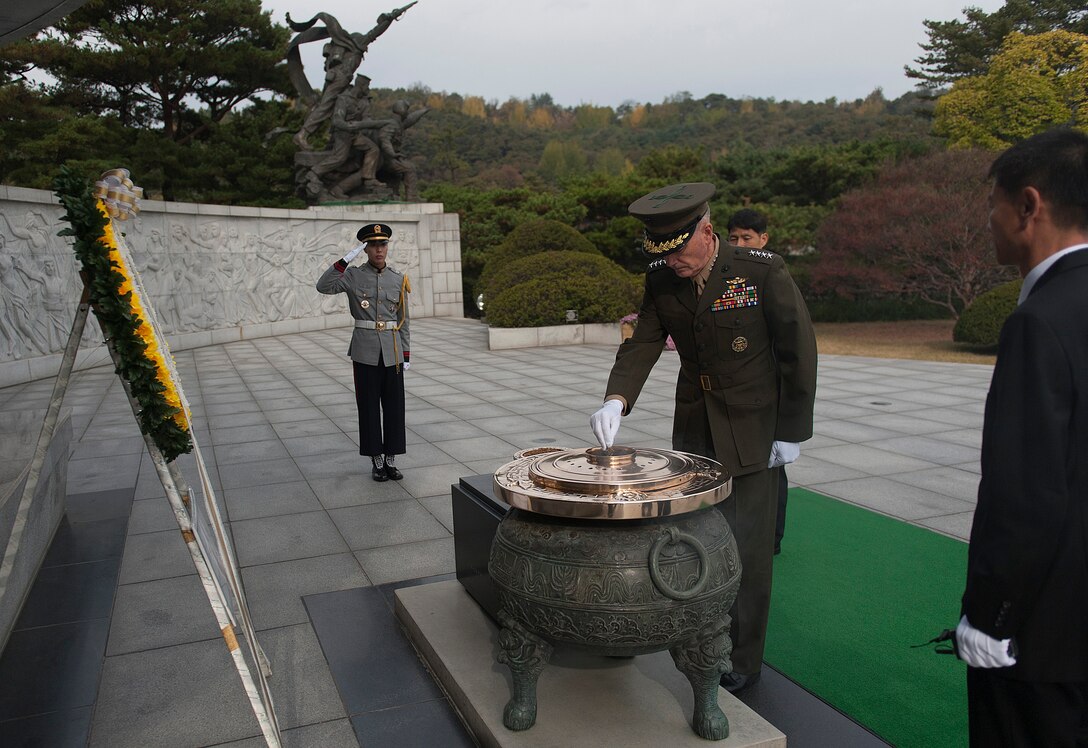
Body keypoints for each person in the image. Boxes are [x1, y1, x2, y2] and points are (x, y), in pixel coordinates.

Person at [591, 183, 817, 693]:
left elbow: (798, 352)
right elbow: (645, 339)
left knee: (747, 548)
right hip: (695, 424)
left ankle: (741, 656)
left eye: (679, 252)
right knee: (692, 537)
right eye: (662, 255)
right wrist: (615, 400)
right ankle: (692, 633)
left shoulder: (761, 271)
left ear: (707, 232)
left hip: (754, 427)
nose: (673, 264)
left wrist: (792, 430)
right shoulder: (663, 278)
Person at [954, 127, 1088, 746]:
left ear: (1028, 207)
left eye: (994, 205)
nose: (991, 220)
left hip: (1048, 632)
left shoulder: (1039, 322)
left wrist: (990, 615)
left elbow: (1027, 496)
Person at [317, 223, 411, 481]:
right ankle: (376, 460)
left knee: (394, 407)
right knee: (368, 407)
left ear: (387, 247)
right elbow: (323, 285)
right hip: (365, 350)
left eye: (382, 244)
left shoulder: (397, 278)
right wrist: (346, 259)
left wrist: (405, 354)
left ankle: (391, 458)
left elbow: (404, 319)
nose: (379, 249)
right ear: (365, 248)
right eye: (373, 245)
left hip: (392, 351)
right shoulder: (353, 276)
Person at [726, 209, 789, 556]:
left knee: (772, 468)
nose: (739, 245)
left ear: (763, 240)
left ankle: (773, 536)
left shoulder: (771, 272)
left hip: (770, 382)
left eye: (747, 238)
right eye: (734, 238)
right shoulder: (731, 275)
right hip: (741, 387)